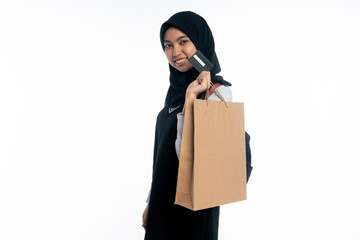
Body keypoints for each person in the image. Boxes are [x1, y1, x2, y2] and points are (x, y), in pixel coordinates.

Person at [142, 11, 252, 240]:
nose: (175, 52)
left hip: (193, 208)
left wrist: (192, 98)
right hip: (162, 205)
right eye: (168, 45)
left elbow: (189, 156)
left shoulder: (217, 93)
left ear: (200, 43)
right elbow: (161, 156)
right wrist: (151, 201)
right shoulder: (173, 94)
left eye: (184, 42)